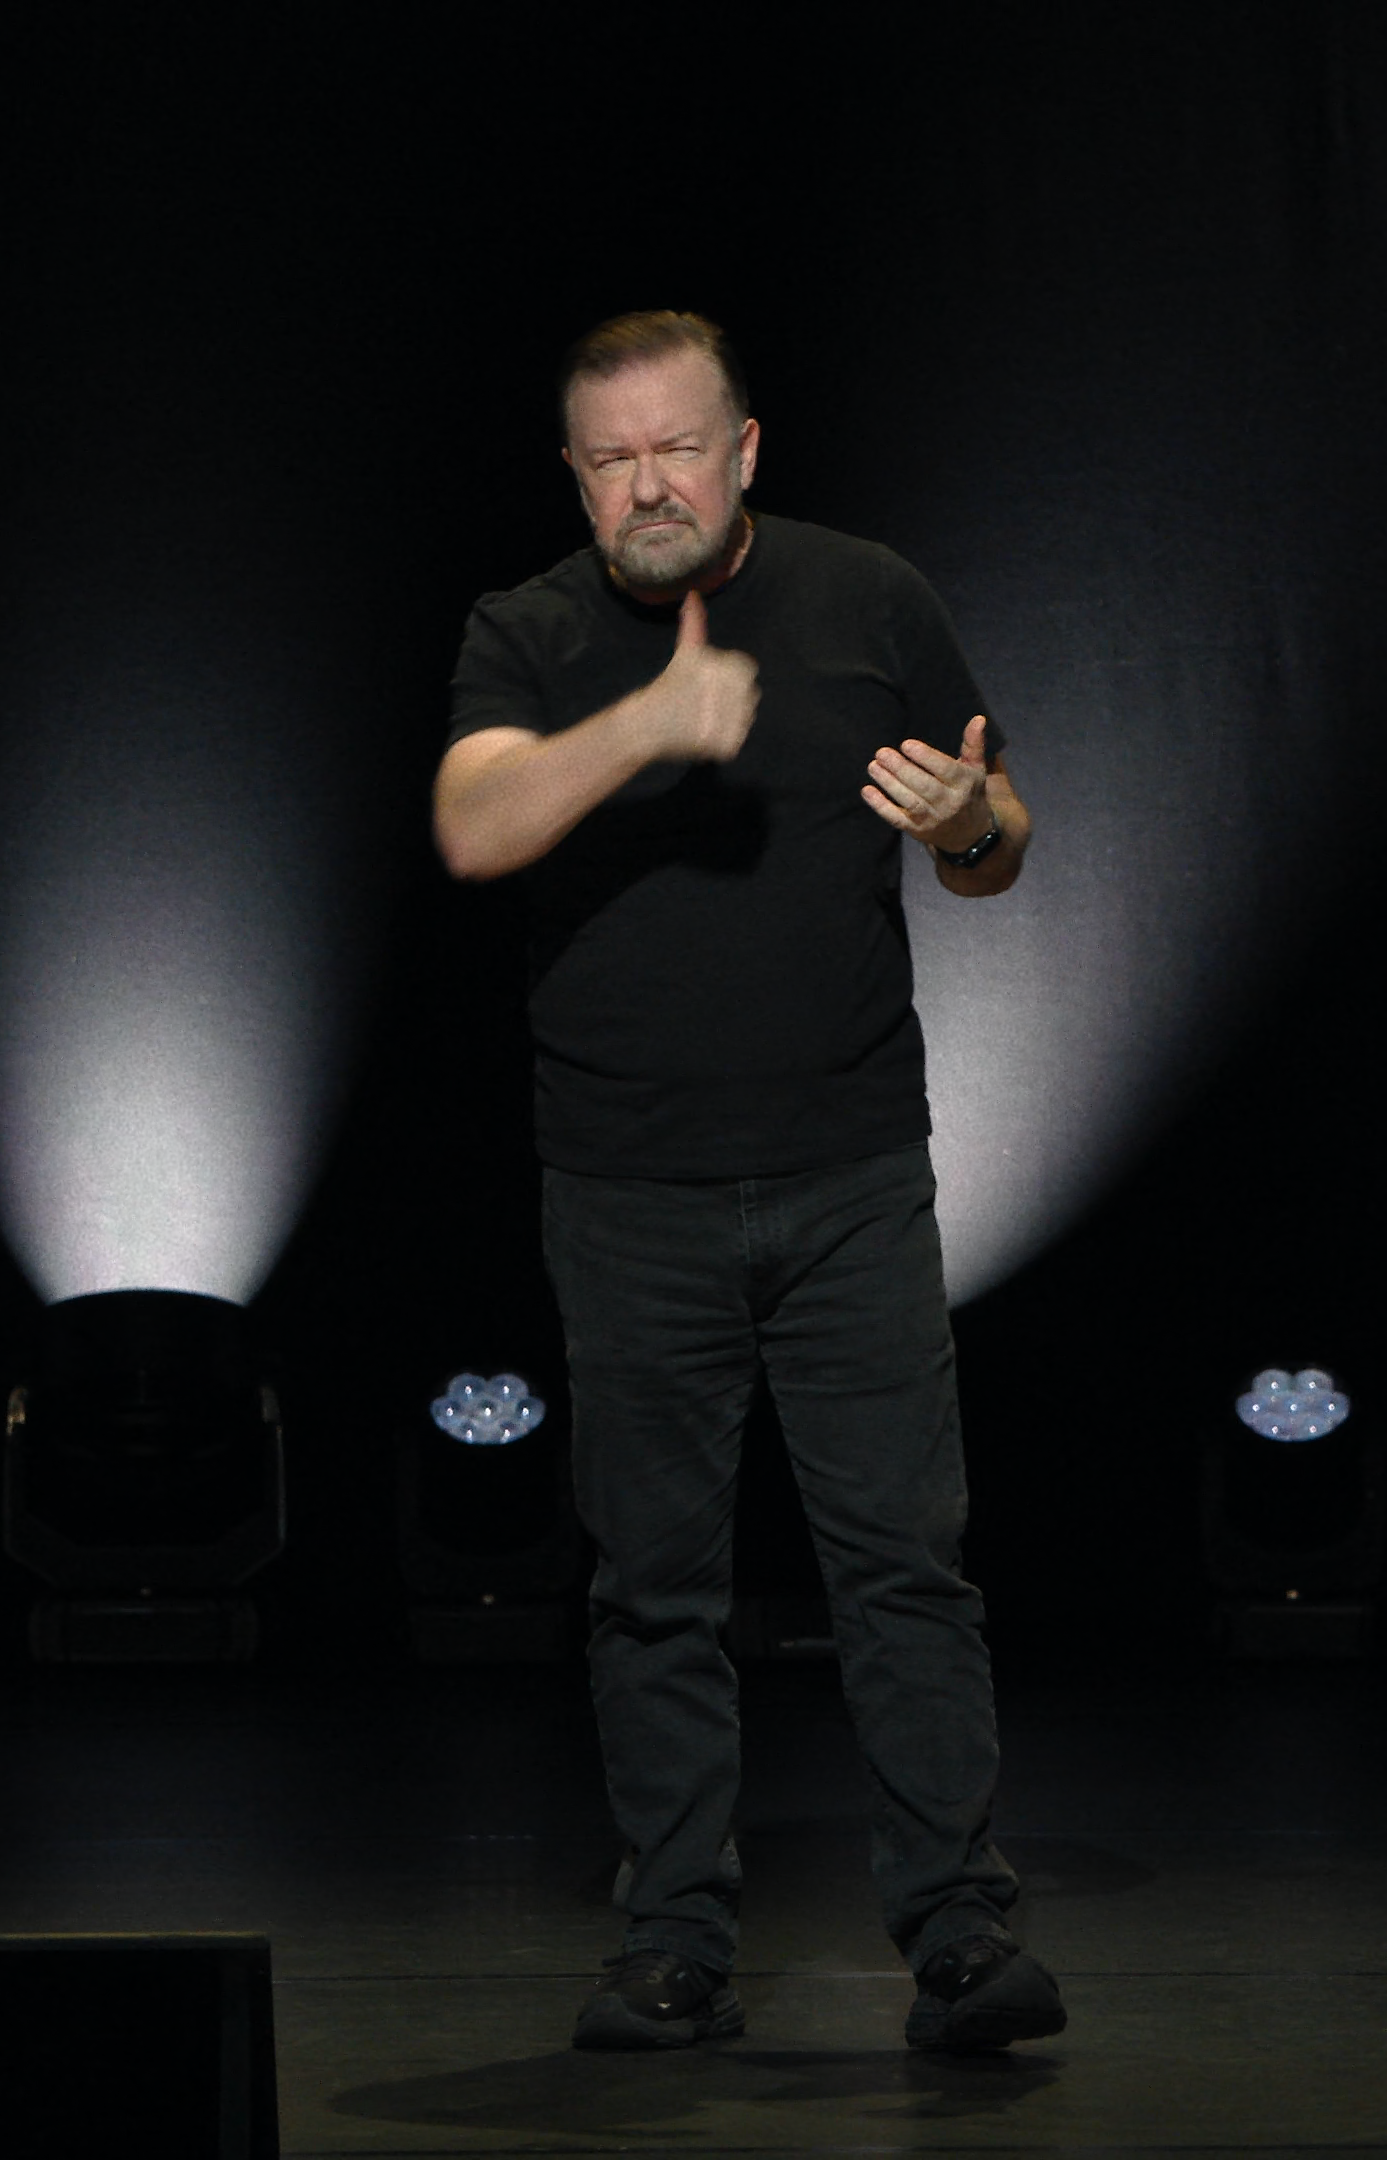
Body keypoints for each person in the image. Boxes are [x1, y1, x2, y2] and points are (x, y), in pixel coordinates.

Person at [434, 310, 1063, 2056]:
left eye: (678, 448)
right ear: (577, 478)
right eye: (612, 459)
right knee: (654, 1587)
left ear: (746, 452)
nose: (650, 485)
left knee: (906, 1566)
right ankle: (674, 1946)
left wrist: (967, 822)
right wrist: (648, 725)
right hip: (628, 1191)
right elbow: (477, 826)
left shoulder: (870, 599)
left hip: (852, 1174)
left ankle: (959, 1933)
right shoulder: (528, 633)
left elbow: (998, 844)